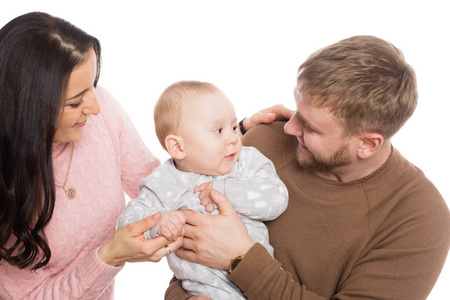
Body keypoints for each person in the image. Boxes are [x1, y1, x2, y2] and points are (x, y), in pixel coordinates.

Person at [166, 36, 450, 299]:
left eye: (310, 127)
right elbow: (188, 253)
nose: (289, 127)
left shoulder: (419, 218)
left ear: (368, 144)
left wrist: (240, 258)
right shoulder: (264, 141)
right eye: (297, 111)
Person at [0, 12, 183, 299]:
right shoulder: (7, 182)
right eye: (75, 102)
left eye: (93, 86)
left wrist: (226, 132)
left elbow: (162, 185)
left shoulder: (101, 110)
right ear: (27, 110)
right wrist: (109, 257)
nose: (95, 107)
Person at [117, 80, 288, 299]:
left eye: (234, 127)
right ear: (178, 147)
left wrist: (224, 189)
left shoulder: (246, 161)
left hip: (259, 285)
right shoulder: (164, 182)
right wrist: (159, 221)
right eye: (218, 130)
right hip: (207, 292)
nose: (234, 139)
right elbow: (126, 223)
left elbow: (276, 199)